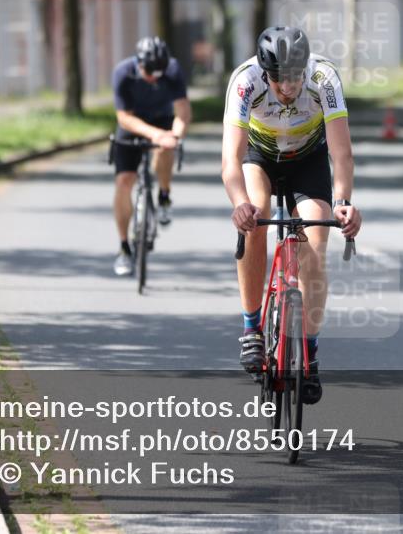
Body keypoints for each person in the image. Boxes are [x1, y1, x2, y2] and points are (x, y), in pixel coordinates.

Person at [221, 26, 362, 405]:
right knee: (257, 219)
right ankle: (252, 328)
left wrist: (344, 201)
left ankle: (310, 353)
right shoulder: (244, 81)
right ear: (266, 73)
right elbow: (230, 160)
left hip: (307, 161)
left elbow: (341, 152)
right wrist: (239, 203)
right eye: (280, 80)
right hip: (260, 158)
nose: (288, 87)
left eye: (295, 77)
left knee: (315, 241)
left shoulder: (324, 78)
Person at [111, 36, 191, 276]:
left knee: (166, 148)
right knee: (124, 181)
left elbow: (183, 111)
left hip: (162, 120)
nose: (153, 77)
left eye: (159, 73)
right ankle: (125, 247)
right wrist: (156, 135)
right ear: (139, 63)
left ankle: (164, 196)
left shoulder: (173, 70)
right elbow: (123, 117)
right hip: (132, 124)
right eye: (149, 72)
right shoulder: (123, 73)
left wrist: (174, 137)